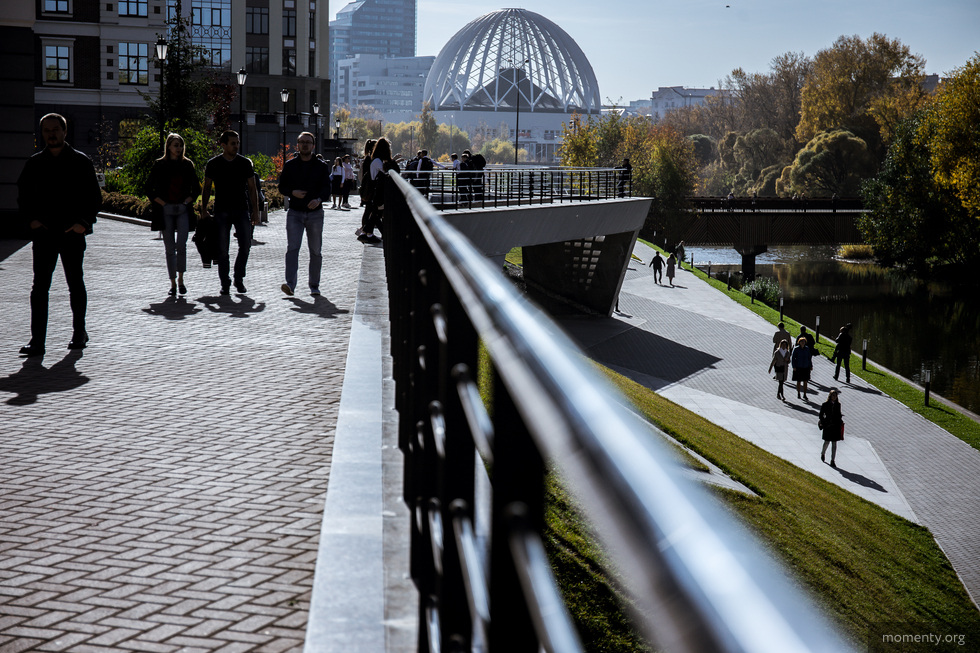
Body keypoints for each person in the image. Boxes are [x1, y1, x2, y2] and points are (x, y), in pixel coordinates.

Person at [17, 113, 102, 356]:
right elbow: (23, 196)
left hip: (72, 234)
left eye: (55, 129)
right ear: (41, 133)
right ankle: (37, 341)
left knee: (75, 284)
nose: (51, 134)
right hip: (44, 235)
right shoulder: (34, 163)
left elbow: (94, 198)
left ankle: (79, 332)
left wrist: (83, 224)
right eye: (46, 130)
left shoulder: (80, 161)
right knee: (40, 287)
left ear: (65, 131)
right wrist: (31, 221)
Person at [200, 130, 260, 295]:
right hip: (221, 211)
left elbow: (252, 188)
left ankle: (238, 279)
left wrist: (255, 211)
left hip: (242, 209)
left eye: (237, 143)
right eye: (233, 143)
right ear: (223, 145)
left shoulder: (245, 163)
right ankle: (225, 283)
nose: (236, 146)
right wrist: (203, 209)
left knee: (245, 245)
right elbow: (206, 187)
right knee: (222, 249)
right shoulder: (214, 164)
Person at [145, 132, 201, 297]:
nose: (179, 148)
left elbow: (196, 189)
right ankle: (173, 283)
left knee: (181, 245)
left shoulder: (187, 165)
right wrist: (162, 203)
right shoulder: (160, 165)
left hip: (182, 209)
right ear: (168, 147)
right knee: (169, 247)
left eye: (181, 145)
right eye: (176, 145)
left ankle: (181, 280)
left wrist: (187, 201)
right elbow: (149, 188)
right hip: (166, 210)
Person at [278, 132, 330, 297]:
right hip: (295, 213)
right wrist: (292, 192)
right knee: (292, 249)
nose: (305, 145)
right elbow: (282, 187)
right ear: (298, 145)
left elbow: (327, 189)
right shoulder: (290, 165)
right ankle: (290, 284)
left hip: (315, 214)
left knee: (315, 250)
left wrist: (319, 199)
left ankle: (314, 285)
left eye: (308, 142)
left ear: (313, 146)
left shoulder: (321, 166)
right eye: (302, 142)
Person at [361, 138, 401, 244]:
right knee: (376, 213)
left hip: (376, 190)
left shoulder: (375, 160)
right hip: (377, 191)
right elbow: (386, 172)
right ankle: (367, 232)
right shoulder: (378, 161)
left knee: (376, 213)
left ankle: (366, 232)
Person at [819, 388, 844, 466]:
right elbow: (821, 415)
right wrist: (824, 422)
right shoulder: (825, 404)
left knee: (834, 444)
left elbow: (839, 414)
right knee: (826, 442)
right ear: (830, 396)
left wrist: (840, 422)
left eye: (835, 396)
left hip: (835, 426)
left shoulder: (838, 405)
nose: (834, 397)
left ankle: (832, 460)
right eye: (833, 395)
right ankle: (823, 453)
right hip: (828, 425)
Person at [791, 335, 813, 400]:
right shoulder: (796, 349)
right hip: (799, 367)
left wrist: (811, 365)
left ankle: (805, 394)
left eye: (804, 342)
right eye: (801, 342)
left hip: (806, 367)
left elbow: (809, 358)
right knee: (799, 381)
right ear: (799, 342)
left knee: (805, 381)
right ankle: (798, 393)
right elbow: (793, 358)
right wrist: (794, 366)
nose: (803, 343)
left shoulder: (807, 349)